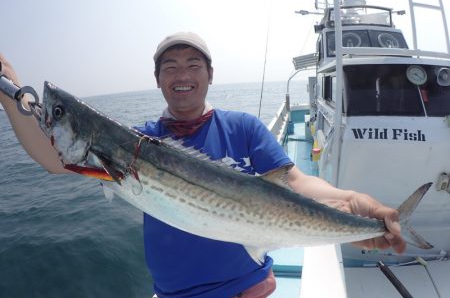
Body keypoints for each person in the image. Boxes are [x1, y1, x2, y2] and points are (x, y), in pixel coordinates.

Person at [0, 32, 405, 298]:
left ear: (210, 75)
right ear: (158, 79)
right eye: (170, 67)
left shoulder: (242, 127)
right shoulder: (137, 140)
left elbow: (295, 181)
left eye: (193, 65)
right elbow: (53, 157)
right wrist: (8, 85)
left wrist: (353, 200)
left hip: (249, 289)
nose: (182, 74)